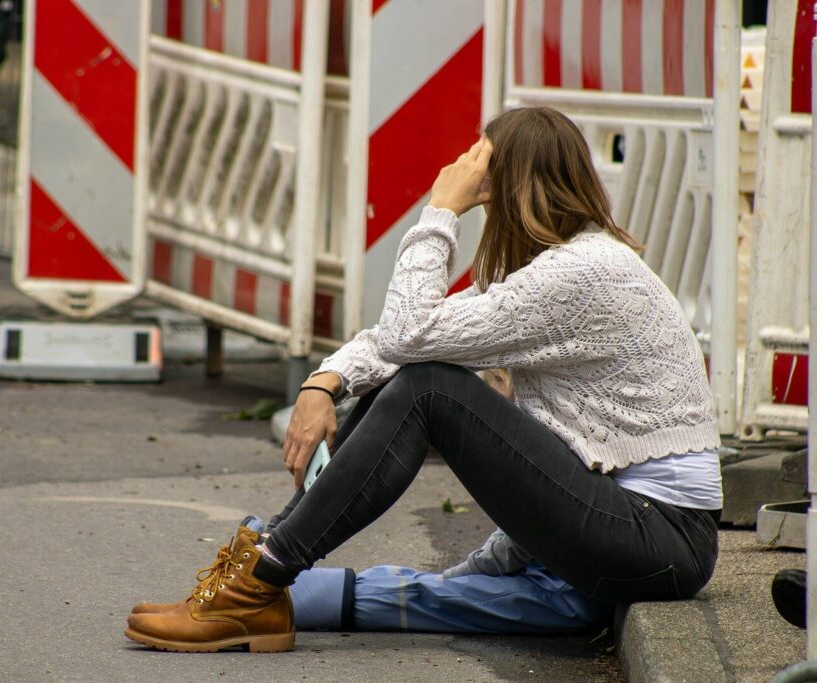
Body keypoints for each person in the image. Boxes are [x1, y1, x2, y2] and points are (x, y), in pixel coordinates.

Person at [125, 106, 723, 653]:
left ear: (516, 189)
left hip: (661, 539)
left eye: (486, 187)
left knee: (431, 388)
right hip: (640, 529)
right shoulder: (566, 268)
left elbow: (411, 333)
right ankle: (260, 571)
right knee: (421, 379)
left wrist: (440, 211)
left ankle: (260, 579)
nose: (479, 201)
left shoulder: (584, 274)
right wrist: (326, 379)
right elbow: (409, 340)